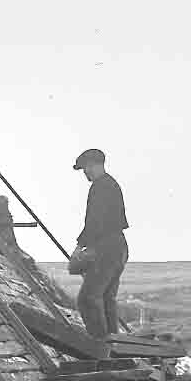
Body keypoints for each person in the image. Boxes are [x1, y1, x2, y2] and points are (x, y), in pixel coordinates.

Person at [69, 148, 129, 356]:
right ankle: (115, 348)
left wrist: (79, 247)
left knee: (87, 299)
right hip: (118, 247)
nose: (85, 172)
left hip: (107, 248)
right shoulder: (111, 184)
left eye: (86, 167)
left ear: (95, 164)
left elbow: (94, 221)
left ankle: (100, 348)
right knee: (106, 299)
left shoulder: (100, 187)